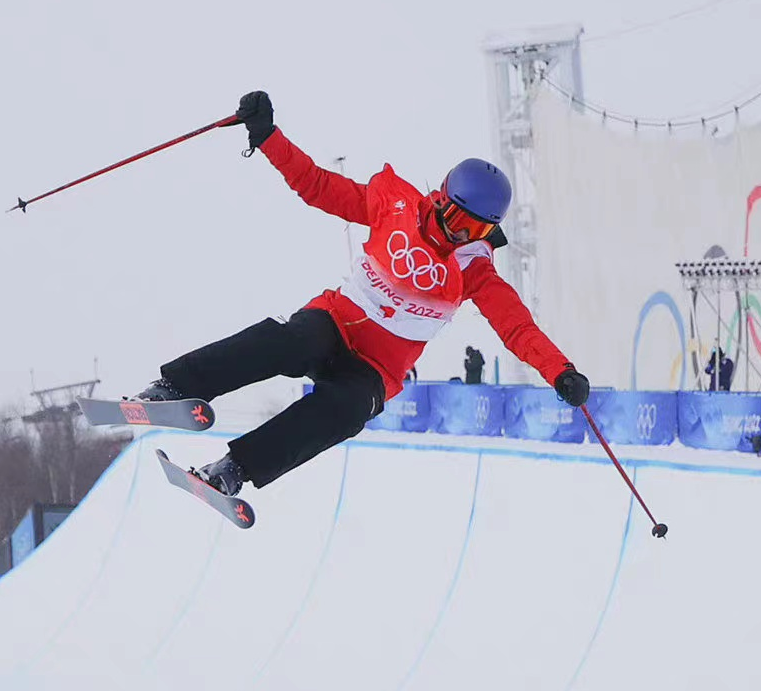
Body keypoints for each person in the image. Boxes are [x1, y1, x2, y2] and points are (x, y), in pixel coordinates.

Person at [131, 91, 589, 498]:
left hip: (377, 368)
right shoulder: (395, 205)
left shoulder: (474, 270)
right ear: (442, 199)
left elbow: (517, 328)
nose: (460, 234)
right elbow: (317, 187)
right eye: (459, 219)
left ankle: (233, 469)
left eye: (477, 230)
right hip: (335, 323)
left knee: (348, 411)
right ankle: (174, 387)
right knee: (293, 343)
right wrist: (268, 136)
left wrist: (560, 372)